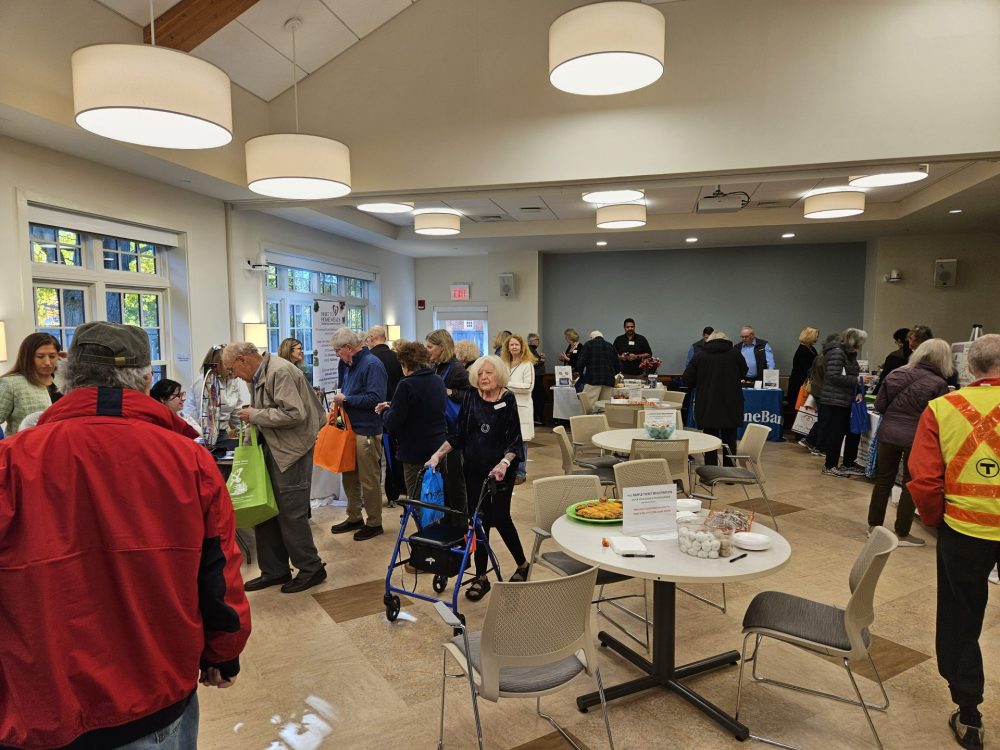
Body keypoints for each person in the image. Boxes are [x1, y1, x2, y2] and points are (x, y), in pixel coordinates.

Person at [0, 321, 250, 749]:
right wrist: (222, 654)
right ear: (145, 378)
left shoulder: (11, 462)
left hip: (41, 702)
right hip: (155, 693)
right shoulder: (187, 458)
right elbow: (218, 571)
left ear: (67, 371)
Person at [908, 333, 1000, 750]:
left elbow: (925, 481)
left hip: (965, 530)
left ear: (970, 368)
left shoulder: (942, 409)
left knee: (961, 619)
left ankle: (970, 714)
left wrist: (933, 520)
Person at [224, 341, 327, 592]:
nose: (233, 375)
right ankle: (274, 570)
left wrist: (254, 415)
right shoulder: (259, 374)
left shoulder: (279, 371)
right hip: (272, 448)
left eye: (231, 369)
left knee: (291, 513)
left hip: (291, 451)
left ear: (242, 360)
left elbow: (295, 414)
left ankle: (312, 569)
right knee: (265, 510)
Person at [426, 355, 528, 600]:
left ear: (499, 375)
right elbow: (458, 434)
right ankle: (482, 577)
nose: (483, 378)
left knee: (501, 518)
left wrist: (504, 463)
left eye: (489, 373)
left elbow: (514, 440)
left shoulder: (507, 399)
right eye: (480, 374)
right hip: (473, 470)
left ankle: (522, 564)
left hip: (502, 471)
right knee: (478, 521)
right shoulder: (471, 397)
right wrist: (437, 455)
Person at [866, 338, 952, 547]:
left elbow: (879, 405)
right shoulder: (938, 383)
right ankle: (902, 532)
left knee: (883, 480)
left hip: (888, 434)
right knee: (910, 483)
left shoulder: (896, 374)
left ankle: (874, 527)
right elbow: (940, 417)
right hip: (917, 438)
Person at [326, 327, 388, 540]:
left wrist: (347, 400)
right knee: (349, 475)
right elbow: (344, 389)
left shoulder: (372, 365)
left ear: (349, 348)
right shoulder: (345, 363)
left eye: (337, 351)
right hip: (349, 429)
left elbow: (376, 399)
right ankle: (354, 516)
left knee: (369, 478)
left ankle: (374, 522)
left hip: (367, 430)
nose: (336, 355)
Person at [376, 341, 448, 498]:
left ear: (404, 364)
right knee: (436, 497)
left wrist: (383, 412)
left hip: (414, 451)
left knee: (417, 501)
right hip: (438, 447)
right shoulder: (437, 380)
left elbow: (393, 422)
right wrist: (392, 405)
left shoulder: (406, 384)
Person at [682, 330, 747, 465]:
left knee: (710, 439)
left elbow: (687, 378)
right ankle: (729, 473)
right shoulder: (735, 353)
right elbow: (744, 372)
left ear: (709, 341)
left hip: (708, 403)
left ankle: (711, 473)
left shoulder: (700, 355)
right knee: (730, 439)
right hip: (731, 402)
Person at [426, 329, 472, 513]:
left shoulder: (457, 369)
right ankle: (448, 518)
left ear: (441, 347)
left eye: (430, 346)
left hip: (454, 431)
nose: (427, 350)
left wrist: (449, 392)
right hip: (441, 429)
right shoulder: (436, 367)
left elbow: (471, 396)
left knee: (455, 480)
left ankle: (459, 521)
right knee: (445, 478)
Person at [819, 328, 867, 478]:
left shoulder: (848, 353)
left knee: (851, 433)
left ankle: (848, 463)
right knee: (836, 434)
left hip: (846, 399)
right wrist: (858, 381)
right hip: (835, 400)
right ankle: (830, 465)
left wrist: (859, 389)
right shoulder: (837, 352)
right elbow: (833, 376)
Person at [366, 325, 405, 505]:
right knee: (394, 455)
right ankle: (393, 493)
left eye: (367, 338)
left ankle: (374, 497)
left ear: (373, 338)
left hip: (373, 414)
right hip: (395, 411)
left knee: (374, 459)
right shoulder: (398, 358)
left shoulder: (369, 360)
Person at [184, 345, 251, 445]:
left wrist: (244, 435)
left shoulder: (232, 381)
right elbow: (204, 415)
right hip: (201, 434)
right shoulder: (204, 381)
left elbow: (237, 411)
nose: (231, 368)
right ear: (218, 365)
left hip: (222, 432)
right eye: (227, 365)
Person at [0, 332, 61, 434]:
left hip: (61, 446)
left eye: (52, 356)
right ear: (27, 357)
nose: (47, 362)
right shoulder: (11, 384)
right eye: (40, 356)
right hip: (23, 447)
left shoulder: (66, 381)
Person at [501, 333, 536, 484]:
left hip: (522, 407)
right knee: (507, 439)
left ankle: (521, 473)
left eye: (517, 344)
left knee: (521, 441)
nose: (514, 347)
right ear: (507, 348)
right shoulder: (505, 364)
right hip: (506, 407)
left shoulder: (527, 364)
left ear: (522, 347)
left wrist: (507, 384)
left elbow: (528, 387)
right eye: (511, 345)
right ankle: (508, 470)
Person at [576, 330, 620, 413]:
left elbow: (580, 363)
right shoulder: (611, 346)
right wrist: (610, 374)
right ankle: (601, 425)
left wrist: (582, 376)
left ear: (591, 338)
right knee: (603, 408)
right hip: (608, 381)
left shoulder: (589, 344)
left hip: (593, 380)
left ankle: (589, 425)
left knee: (589, 407)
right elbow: (618, 366)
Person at [786, 326, 820, 409]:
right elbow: (806, 368)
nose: (817, 339)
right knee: (798, 406)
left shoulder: (811, 348)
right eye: (816, 336)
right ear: (810, 336)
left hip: (805, 381)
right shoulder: (803, 351)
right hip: (799, 383)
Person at [872, 327, 910, 394]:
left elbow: (885, 378)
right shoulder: (918, 355)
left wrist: (875, 393)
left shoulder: (895, 356)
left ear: (899, 340)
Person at [528, 333, 546, 426]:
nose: (538, 341)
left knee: (540, 397)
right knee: (539, 397)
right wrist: (542, 360)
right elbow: (533, 363)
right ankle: (536, 418)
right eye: (537, 340)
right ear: (532, 341)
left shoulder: (533, 350)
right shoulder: (530, 350)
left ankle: (537, 417)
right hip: (536, 378)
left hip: (538, 377)